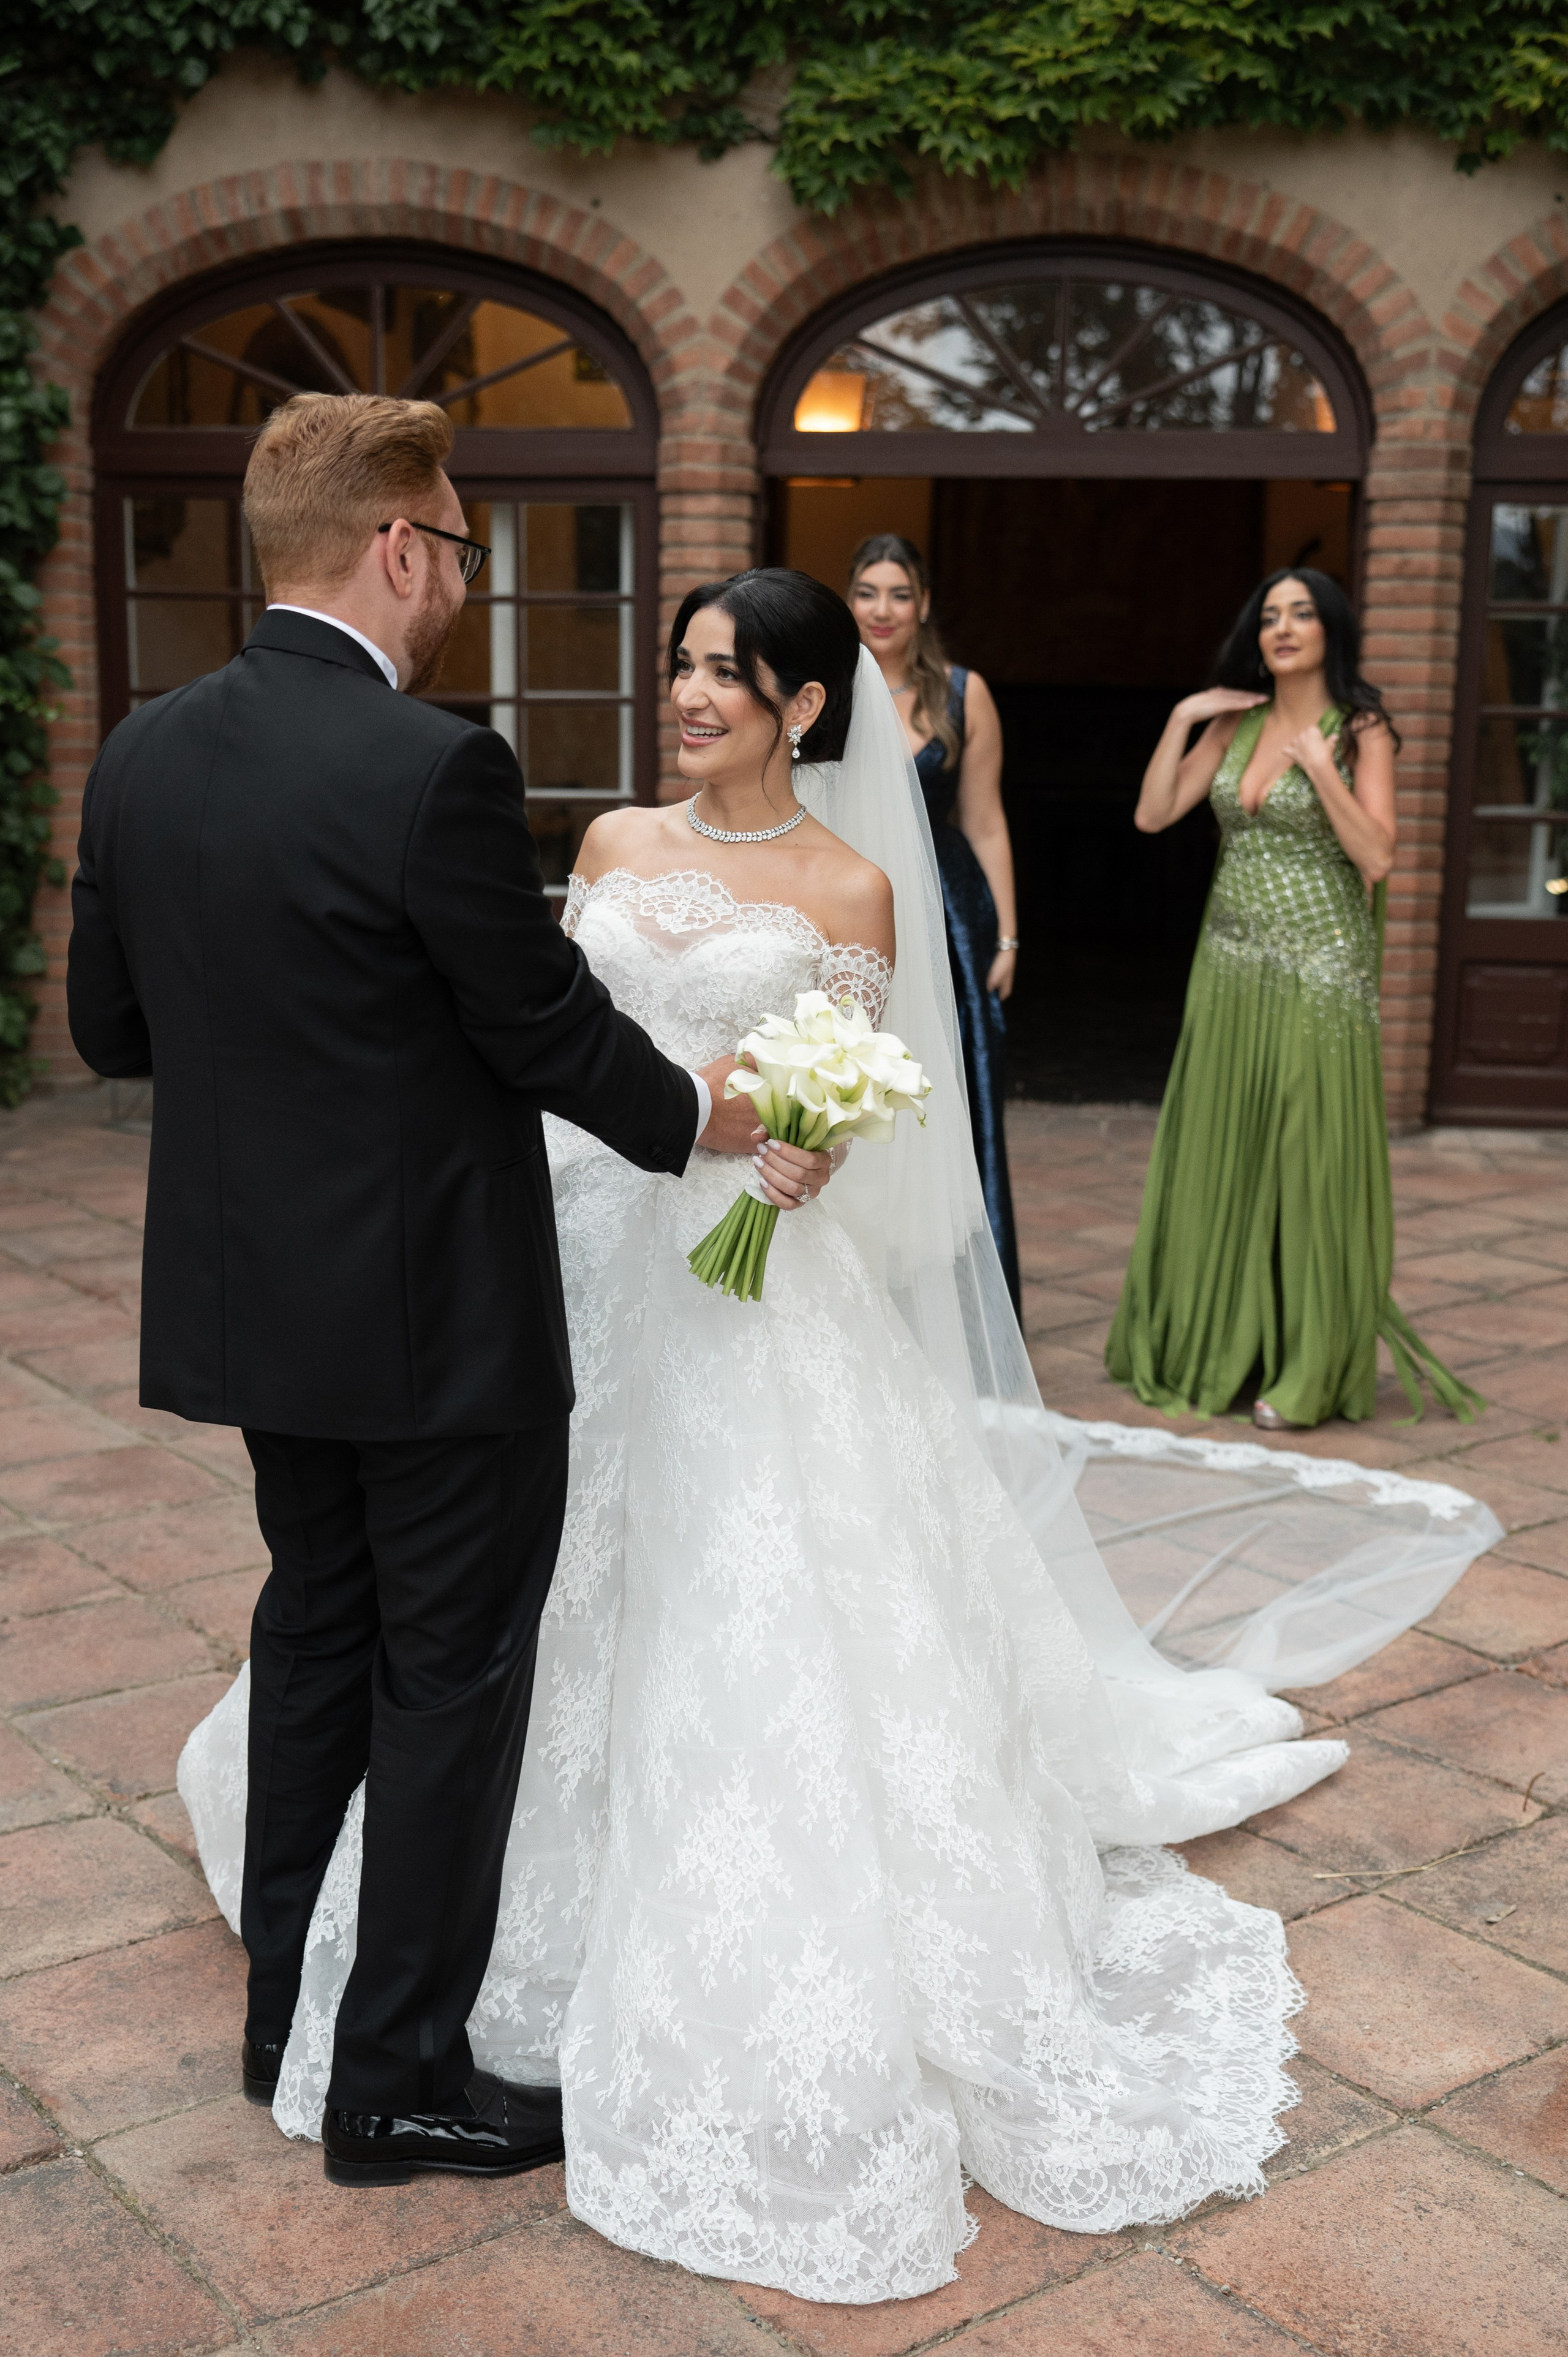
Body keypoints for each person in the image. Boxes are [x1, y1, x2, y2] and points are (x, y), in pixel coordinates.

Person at [178, 565, 1498, 2302]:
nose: (691, 695)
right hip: (566, 1252)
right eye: (681, 666)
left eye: (728, 673)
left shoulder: (851, 883)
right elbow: (540, 1036)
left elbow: (842, 1086)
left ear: (807, 706)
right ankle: (434, 1958)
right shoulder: (608, 849)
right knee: (495, 1596)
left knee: (752, 1594)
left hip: (743, 1288)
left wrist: (809, 1147)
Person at [66, 393, 831, 2190]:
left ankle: (288, 2019)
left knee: (316, 1633)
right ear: (400, 546)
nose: (463, 587)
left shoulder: (141, 753)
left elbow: (112, 1029)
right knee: (448, 1678)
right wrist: (698, 1113)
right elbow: (537, 1022)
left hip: (258, 1307)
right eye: (464, 551)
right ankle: (393, 2078)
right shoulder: (431, 765)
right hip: (439, 1318)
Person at [1107, 568, 1479, 1430]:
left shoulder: (1362, 729)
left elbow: (1378, 857)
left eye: (1302, 614)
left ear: (1330, 631)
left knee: (1307, 1160)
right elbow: (1154, 815)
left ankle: (1308, 1369)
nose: (1283, 628)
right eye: (1270, 616)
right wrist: (1181, 719)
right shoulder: (1237, 720)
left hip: (1322, 976)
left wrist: (1325, 767)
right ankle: (1221, 1347)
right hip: (1232, 966)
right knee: (1226, 1150)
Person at [849, 533, 1021, 1311]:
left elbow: (985, 819)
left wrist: (1007, 935)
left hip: (948, 912)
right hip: (852, 897)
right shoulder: (818, 686)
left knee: (946, 1087)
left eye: (899, 594)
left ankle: (959, 1294)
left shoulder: (961, 691)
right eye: (867, 592)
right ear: (848, 599)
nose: (882, 609)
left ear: (922, 606)